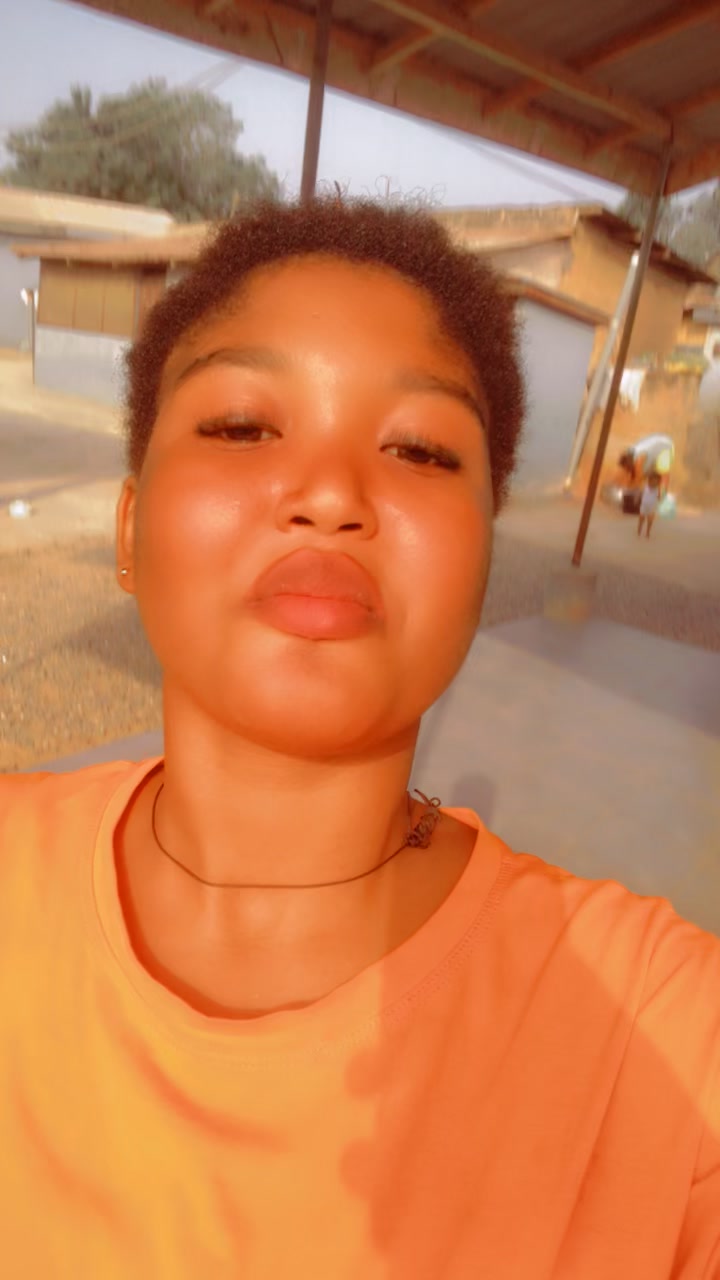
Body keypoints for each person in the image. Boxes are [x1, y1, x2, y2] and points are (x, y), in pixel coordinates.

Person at [1, 199, 718, 1279]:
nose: (332, 494)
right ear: (129, 529)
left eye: (421, 449)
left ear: (482, 554)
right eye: (243, 426)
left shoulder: (658, 1035)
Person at [638, 469, 662, 538]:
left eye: (656, 481)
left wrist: (658, 499)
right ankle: (639, 529)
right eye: (652, 480)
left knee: (650, 520)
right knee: (641, 519)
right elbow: (641, 493)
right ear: (649, 480)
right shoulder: (645, 486)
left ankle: (647, 532)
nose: (654, 482)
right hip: (644, 505)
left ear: (658, 482)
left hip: (652, 506)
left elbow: (659, 497)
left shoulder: (657, 488)